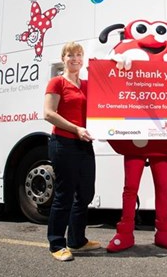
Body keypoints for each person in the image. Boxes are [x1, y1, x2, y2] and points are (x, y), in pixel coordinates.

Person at [43, 42, 100, 261]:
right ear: (63, 59)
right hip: (63, 143)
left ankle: (77, 240)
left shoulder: (86, 84)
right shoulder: (57, 82)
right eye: (70, 55)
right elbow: (48, 113)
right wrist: (76, 128)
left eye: (78, 54)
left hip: (84, 144)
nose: (75, 58)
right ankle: (57, 243)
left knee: (85, 193)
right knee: (64, 195)